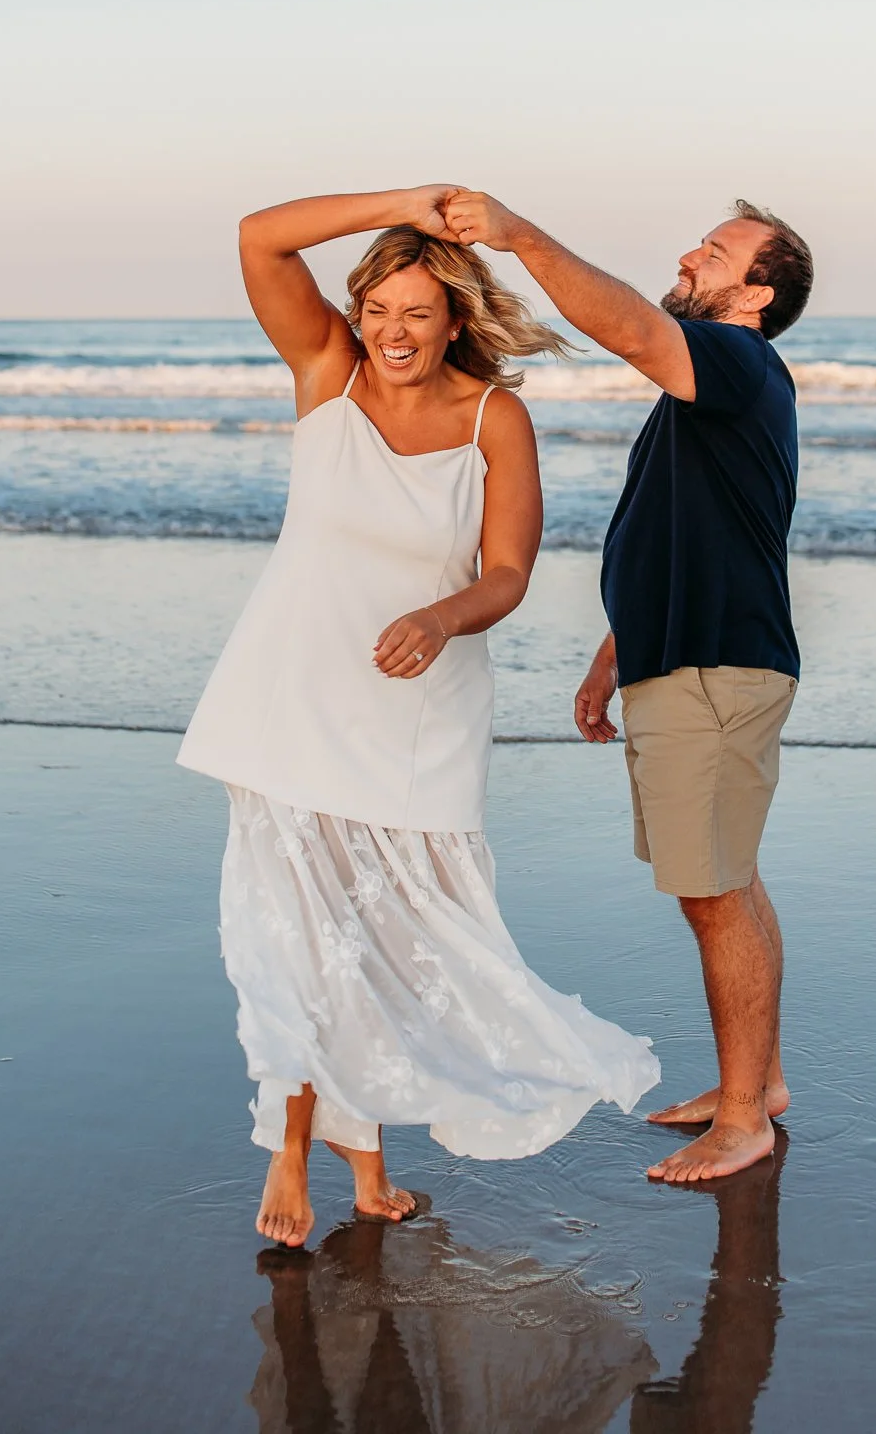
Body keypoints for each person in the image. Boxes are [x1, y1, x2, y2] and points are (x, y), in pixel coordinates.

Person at [177, 186, 660, 1247]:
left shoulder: (496, 415)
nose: (393, 332)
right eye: (379, 307)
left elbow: (509, 571)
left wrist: (444, 616)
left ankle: (370, 1162)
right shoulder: (325, 372)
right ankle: (299, 1150)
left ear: (455, 318)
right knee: (303, 937)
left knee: (400, 935)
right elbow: (260, 234)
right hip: (292, 697)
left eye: (417, 311)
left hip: (417, 712)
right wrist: (414, 201)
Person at [440, 190, 813, 1183]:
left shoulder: (732, 359)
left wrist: (516, 234)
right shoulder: (705, 396)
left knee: (713, 889)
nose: (691, 252)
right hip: (681, 659)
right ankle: (760, 1083)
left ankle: (743, 1120)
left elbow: (627, 324)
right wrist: (612, 657)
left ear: (757, 290)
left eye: (717, 249)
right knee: (727, 878)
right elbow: (678, 538)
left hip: (714, 668)